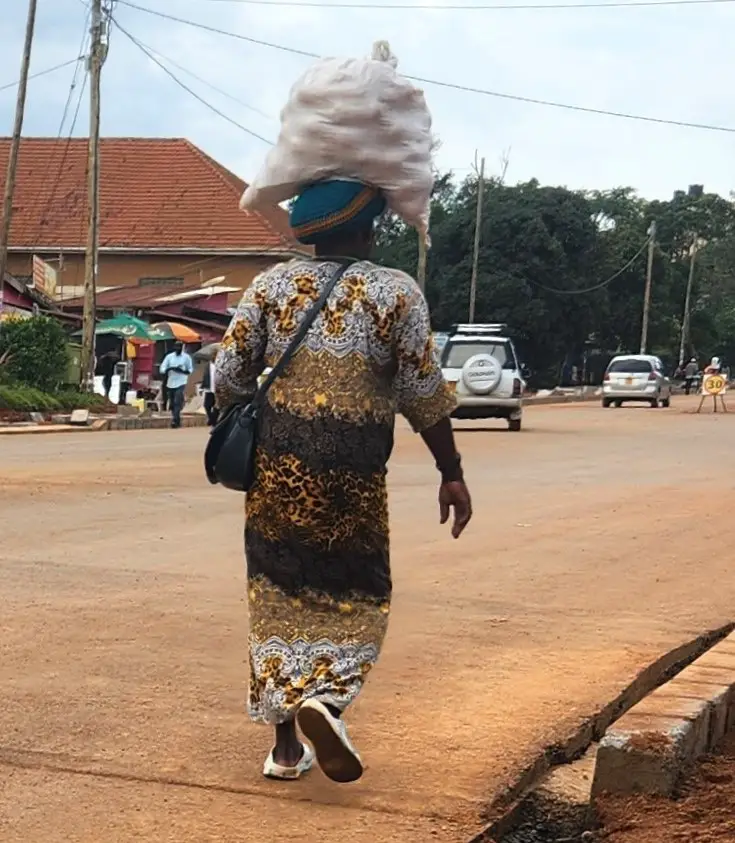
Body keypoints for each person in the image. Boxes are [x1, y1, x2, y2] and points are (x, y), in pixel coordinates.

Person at [214, 179, 472, 784]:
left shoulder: (271, 285)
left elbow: (228, 373)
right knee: (357, 593)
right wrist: (451, 472)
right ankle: (324, 701)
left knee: (277, 594)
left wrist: (246, 416)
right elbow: (423, 394)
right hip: (352, 479)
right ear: (368, 228)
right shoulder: (395, 292)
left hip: (278, 473)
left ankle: (284, 749)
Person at [160, 341, 193, 428]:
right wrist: (169, 369)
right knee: (172, 402)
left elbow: (190, 370)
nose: (178, 348)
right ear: (174, 347)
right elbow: (162, 369)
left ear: (182, 347)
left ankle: (175, 420)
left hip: (181, 381)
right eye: (176, 347)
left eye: (179, 347)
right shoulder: (169, 357)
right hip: (170, 382)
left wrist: (181, 370)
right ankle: (176, 419)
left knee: (177, 400)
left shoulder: (186, 357)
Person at [200, 358, 219, 426]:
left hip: (218, 389)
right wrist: (202, 388)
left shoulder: (219, 364)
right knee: (206, 405)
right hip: (209, 389)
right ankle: (212, 419)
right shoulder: (207, 365)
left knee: (217, 406)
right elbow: (205, 377)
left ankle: (214, 420)